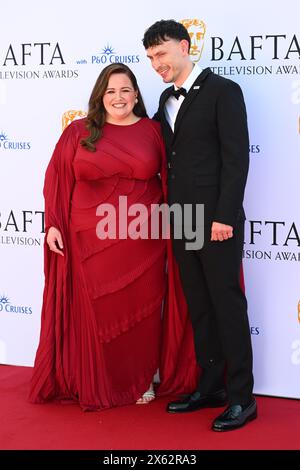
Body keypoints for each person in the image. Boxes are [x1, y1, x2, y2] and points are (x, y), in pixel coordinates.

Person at [29, 63, 171, 410]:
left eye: (125, 90)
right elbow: (58, 180)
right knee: (97, 311)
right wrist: (53, 224)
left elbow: (172, 181)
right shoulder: (78, 132)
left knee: (141, 309)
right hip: (88, 238)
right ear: (99, 96)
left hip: (142, 237)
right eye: (110, 91)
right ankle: (96, 377)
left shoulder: (155, 131)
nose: (118, 97)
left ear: (136, 94)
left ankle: (139, 377)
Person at [143, 20, 257, 431]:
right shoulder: (163, 98)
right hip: (182, 220)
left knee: (226, 304)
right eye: (151, 57)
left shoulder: (223, 92)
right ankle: (212, 386)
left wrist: (225, 216)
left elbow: (236, 158)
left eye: (162, 54)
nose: (156, 63)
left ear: (185, 46)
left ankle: (243, 398)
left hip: (216, 220)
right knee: (200, 305)